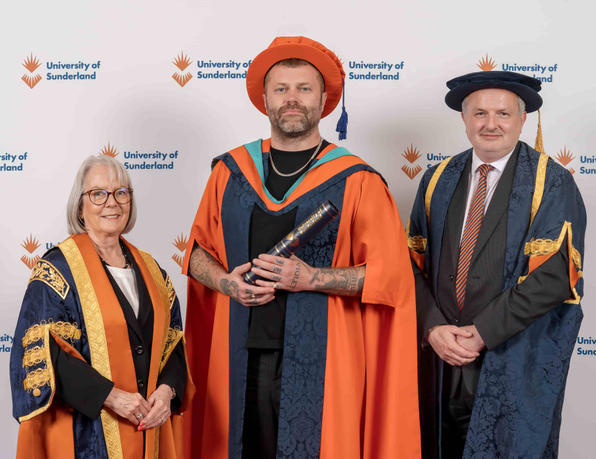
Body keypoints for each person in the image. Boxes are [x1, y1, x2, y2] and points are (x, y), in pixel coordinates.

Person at [180, 36, 421, 459]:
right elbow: (198, 253)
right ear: (265, 98)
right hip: (238, 354)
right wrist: (225, 283)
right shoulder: (230, 172)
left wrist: (311, 278)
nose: (292, 99)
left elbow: (391, 276)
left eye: (304, 89)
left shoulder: (355, 180)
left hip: (325, 360)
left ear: (325, 99)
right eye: (281, 89)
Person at [407, 71, 586, 458]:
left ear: (522, 119)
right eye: (480, 114)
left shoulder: (551, 182)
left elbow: (555, 276)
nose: (491, 124)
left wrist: (483, 332)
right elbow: (411, 265)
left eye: (503, 114)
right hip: (441, 361)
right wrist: (433, 327)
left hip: (512, 356)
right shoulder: (437, 178)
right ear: (464, 119)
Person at [9, 155, 194, 459]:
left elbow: (173, 341)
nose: (112, 203)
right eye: (98, 194)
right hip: (86, 433)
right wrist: (111, 397)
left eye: (121, 193)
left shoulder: (154, 271)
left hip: (149, 429)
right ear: (80, 206)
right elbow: (42, 354)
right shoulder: (56, 270)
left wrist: (167, 391)